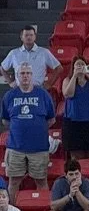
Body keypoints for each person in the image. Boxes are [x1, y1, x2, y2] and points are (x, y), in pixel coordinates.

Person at [1, 63, 56, 199]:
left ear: (32, 75)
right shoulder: (9, 96)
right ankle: (10, 210)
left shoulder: (43, 95)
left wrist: (36, 129)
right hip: (15, 148)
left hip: (39, 148)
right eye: (22, 73)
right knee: (13, 182)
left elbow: (51, 119)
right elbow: (6, 121)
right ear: (17, 76)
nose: (25, 76)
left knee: (41, 181)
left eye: (28, 73)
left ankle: (42, 209)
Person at [60, 56, 89, 159]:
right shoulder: (67, 80)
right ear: (73, 68)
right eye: (77, 65)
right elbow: (68, 94)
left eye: (82, 64)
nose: (80, 66)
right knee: (76, 156)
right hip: (73, 122)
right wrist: (74, 76)